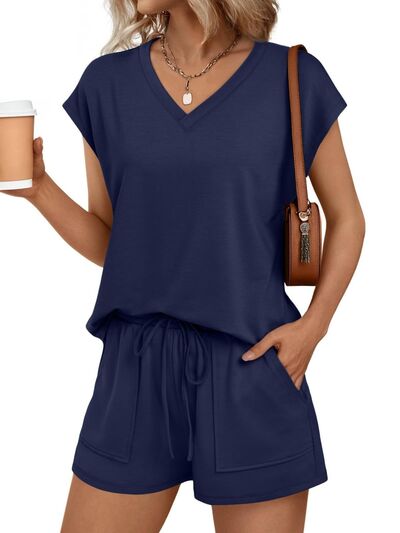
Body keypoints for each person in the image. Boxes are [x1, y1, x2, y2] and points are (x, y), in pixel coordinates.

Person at [2, 1, 365, 531]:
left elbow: (348, 217)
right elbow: (113, 243)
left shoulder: (291, 76)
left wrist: (314, 327)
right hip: (136, 369)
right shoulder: (107, 86)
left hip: (252, 362)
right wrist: (39, 189)